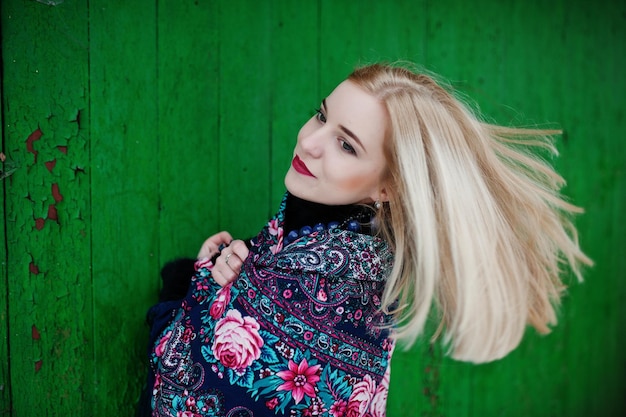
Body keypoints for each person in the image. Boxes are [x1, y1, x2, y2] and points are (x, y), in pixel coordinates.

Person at [138, 63, 591, 417]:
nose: (311, 142)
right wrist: (225, 279)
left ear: (388, 187)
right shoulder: (313, 243)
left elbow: (184, 382)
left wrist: (193, 282)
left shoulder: (329, 280)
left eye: (347, 145)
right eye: (321, 115)